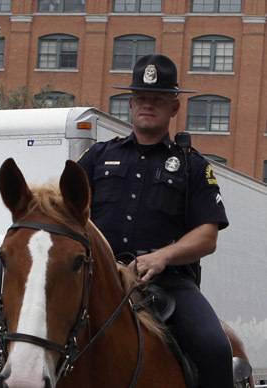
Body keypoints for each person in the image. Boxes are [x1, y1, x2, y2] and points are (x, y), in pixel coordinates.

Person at [77, 53, 232, 388]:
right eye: (141, 98)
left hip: (167, 285)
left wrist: (162, 257)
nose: (148, 105)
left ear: (174, 108)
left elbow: (207, 235)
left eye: (158, 100)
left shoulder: (193, 166)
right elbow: (67, 215)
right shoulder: (96, 157)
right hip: (99, 283)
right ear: (130, 104)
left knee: (215, 347)